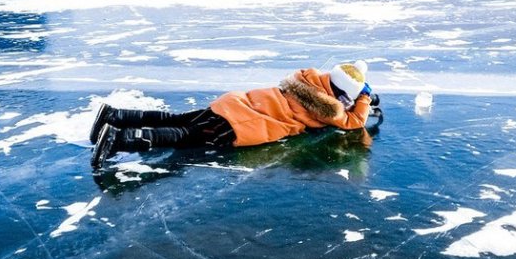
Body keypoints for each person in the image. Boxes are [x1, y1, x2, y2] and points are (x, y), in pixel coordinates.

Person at [90, 60, 380, 169]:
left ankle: (114, 115)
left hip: (233, 103)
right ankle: (117, 139)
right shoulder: (327, 107)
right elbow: (354, 122)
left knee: (177, 119)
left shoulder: (305, 78)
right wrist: (364, 97)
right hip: (242, 124)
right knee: (184, 136)